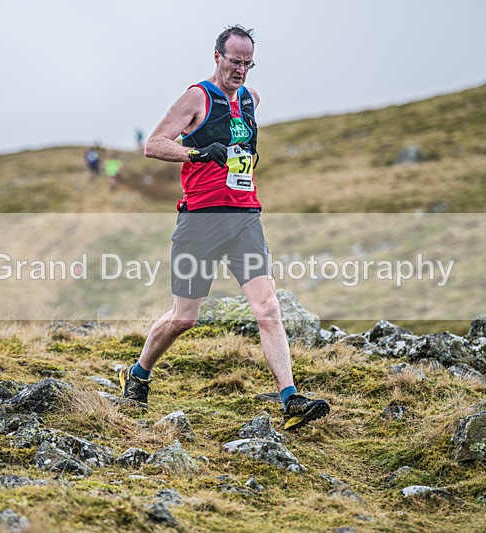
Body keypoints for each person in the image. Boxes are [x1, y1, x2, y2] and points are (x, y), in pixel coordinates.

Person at [118, 24, 330, 431]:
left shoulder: (251, 99)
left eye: (248, 64)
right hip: (200, 221)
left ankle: (290, 399)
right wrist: (197, 152)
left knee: (268, 308)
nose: (242, 71)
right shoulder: (196, 97)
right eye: (235, 62)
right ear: (217, 57)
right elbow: (154, 144)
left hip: (245, 218)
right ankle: (139, 373)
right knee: (184, 318)